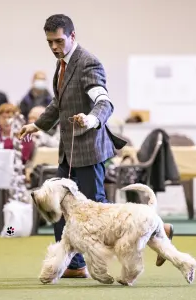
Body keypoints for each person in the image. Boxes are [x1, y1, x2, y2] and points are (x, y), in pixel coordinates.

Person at [19, 14, 173, 277]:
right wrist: (38, 125)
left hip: (89, 148)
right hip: (68, 150)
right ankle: (76, 265)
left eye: (58, 41)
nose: (54, 47)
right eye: (49, 43)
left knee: (96, 208)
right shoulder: (62, 64)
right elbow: (59, 104)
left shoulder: (88, 64)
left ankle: (159, 229)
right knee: (63, 204)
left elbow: (104, 103)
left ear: (72, 36)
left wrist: (90, 120)